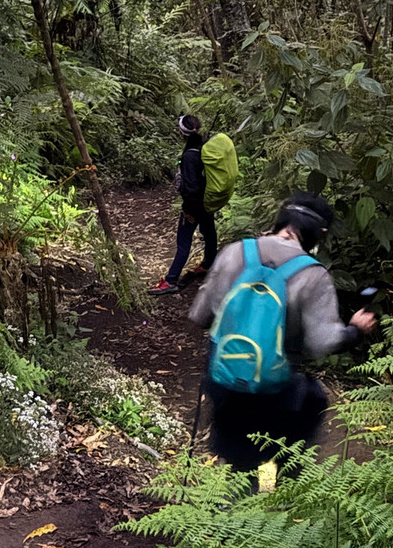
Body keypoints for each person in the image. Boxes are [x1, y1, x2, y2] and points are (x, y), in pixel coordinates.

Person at [188, 192, 378, 482]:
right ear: (319, 233)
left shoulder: (236, 252)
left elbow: (200, 315)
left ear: (280, 219)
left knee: (239, 463)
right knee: (302, 421)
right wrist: (354, 330)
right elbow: (322, 343)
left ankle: (238, 502)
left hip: (226, 382)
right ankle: (274, 497)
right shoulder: (313, 275)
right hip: (275, 392)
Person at [148, 115, 217, 295]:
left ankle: (171, 280)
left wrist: (187, 209)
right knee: (209, 232)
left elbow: (192, 187)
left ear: (182, 133)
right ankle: (209, 264)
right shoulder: (205, 148)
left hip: (194, 205)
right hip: (207, 201)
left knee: (184, 242)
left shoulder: (189, 155)